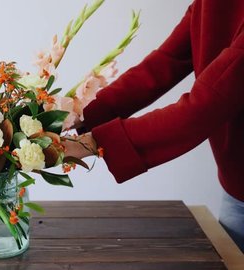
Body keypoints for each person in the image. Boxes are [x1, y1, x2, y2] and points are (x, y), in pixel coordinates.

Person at [63, 0, 244, 252]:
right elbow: (163, 65)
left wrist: (90, 143)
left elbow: (204, 107)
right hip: (236, 189)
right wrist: (72, 114)